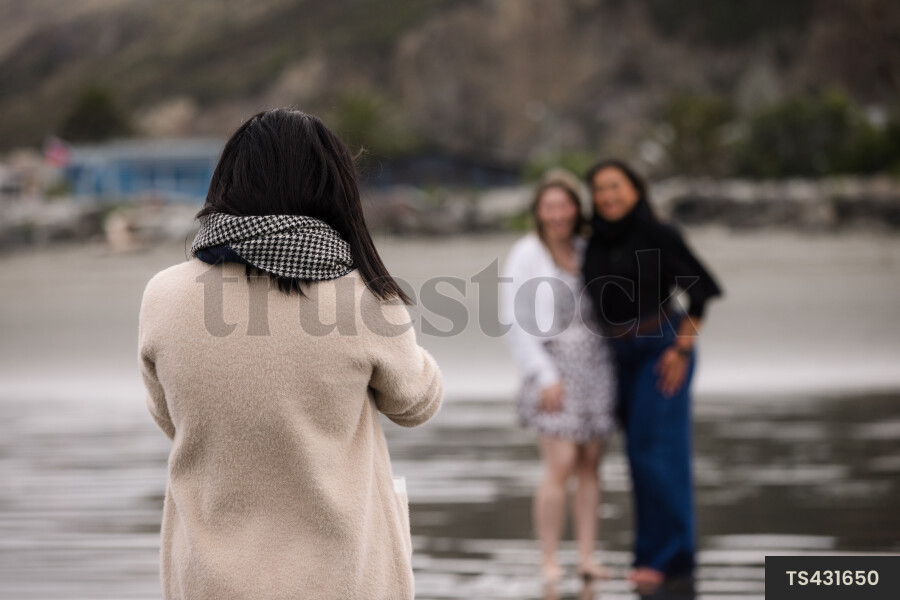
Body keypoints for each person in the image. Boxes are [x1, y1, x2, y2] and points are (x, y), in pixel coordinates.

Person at [137, 109, 443, 600]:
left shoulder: (163, 295)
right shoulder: (363, 295)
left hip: (206, 578)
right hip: (339, 577)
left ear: (227, 181)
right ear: (331, 187)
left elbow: (169, 416)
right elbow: (416, 403)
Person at [581, 159, 722, 593]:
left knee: (660, 457)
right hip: (619, 353)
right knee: (638, 457)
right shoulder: (596, 240)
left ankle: (673, 559)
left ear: (636, 189)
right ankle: (648, 556)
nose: (607, 196)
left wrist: (682, 348)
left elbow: (700, 293)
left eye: (615, 187)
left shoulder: (659, 233)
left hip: (662, 346)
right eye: (599, 189)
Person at [501, 171, 617, 584]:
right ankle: (549, 560)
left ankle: (587, 557)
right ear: (538, 211)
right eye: (549, 206)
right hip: (551, 366)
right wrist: (543, 374)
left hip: (596, 365)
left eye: (565, 205)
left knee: (591, 465)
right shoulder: (527, 252)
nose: (558, 214)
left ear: (576, 208)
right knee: (561, 463)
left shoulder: (587, 248)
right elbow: (513, 319)